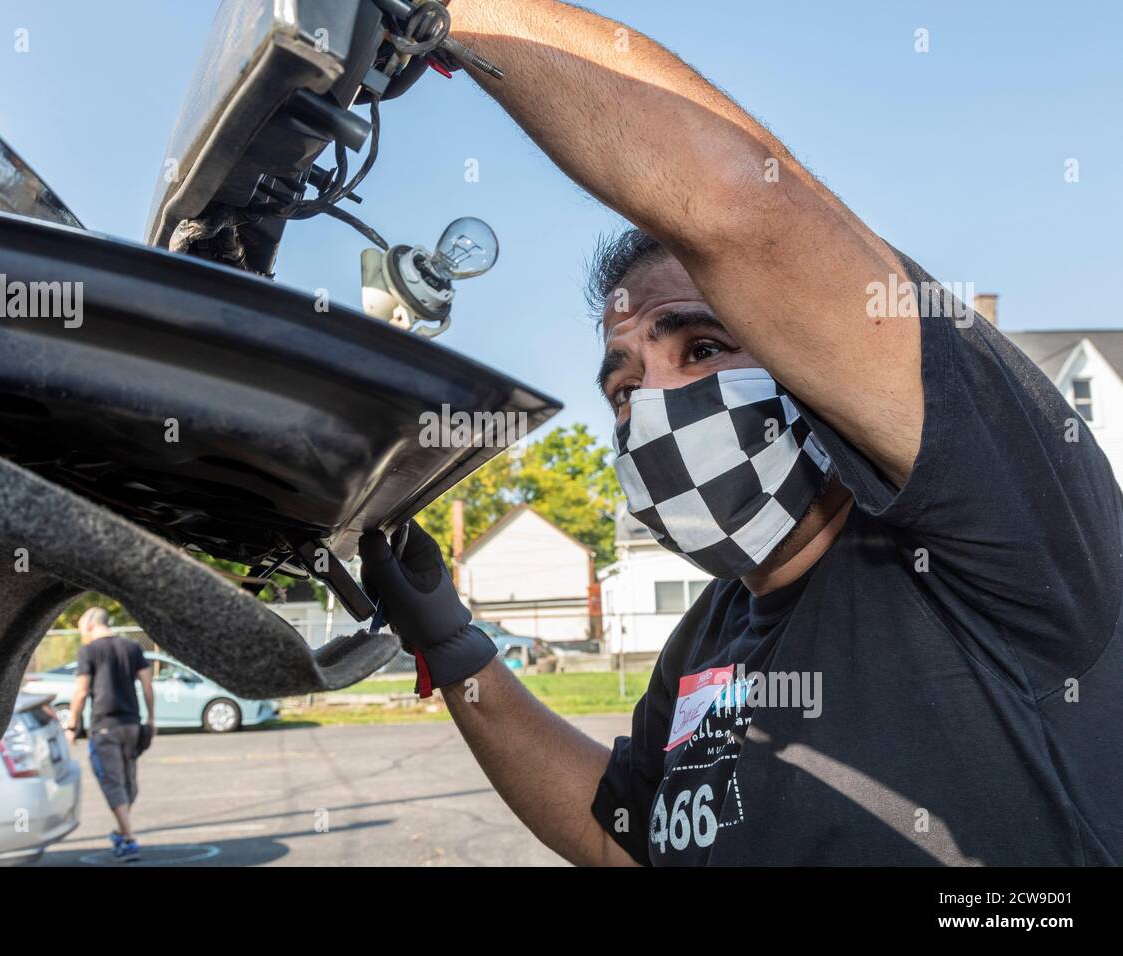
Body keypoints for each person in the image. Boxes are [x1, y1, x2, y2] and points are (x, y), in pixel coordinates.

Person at [359, 0, 1123, 865]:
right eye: (622, 387)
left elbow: (742, 207)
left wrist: (442, 8)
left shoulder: (995, 521)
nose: (649, 406)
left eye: (702, 347)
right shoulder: (711, 631)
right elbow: (621, 840)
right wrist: (454, 648)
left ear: (811, 358)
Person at [65, 607, 154, 862]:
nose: (82, 634)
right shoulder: (132, 648)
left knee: (113, 784)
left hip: (105, 728)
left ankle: (129, 840)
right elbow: (147, 685)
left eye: (82, 628)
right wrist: (152, 718)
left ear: (92, 625)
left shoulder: (89, 651)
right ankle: (121, 832)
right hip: (132, 725)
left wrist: (72, 725)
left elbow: (81, 692)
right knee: (128, 785)